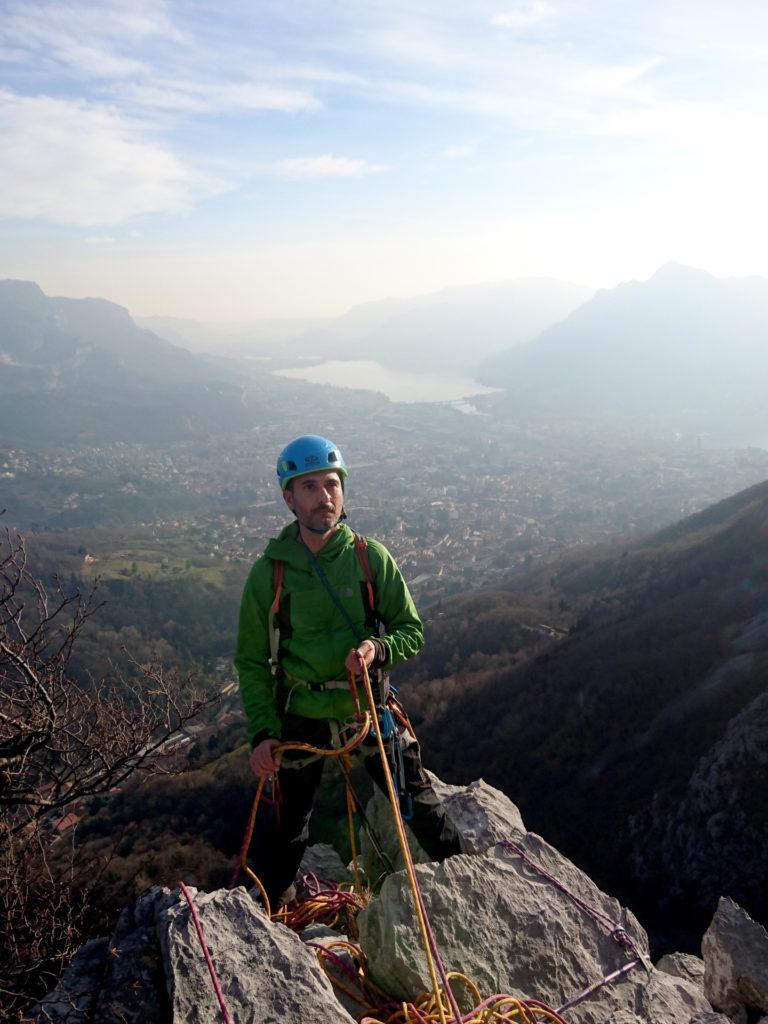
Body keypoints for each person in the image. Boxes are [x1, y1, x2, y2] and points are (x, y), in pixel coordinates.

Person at [235, 434, 460, 908]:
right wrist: (263, 732)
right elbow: (252, 661)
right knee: (288, 832)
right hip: (303, 712)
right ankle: (268, 918)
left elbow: (411, 630)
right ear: (289, 499)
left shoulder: (369, 558)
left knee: (419, 806)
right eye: (310, 486)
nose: (325, 497)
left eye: (332, 484)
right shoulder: (270, 574)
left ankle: (470, 885)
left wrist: (377, 649)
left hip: (367, 710)